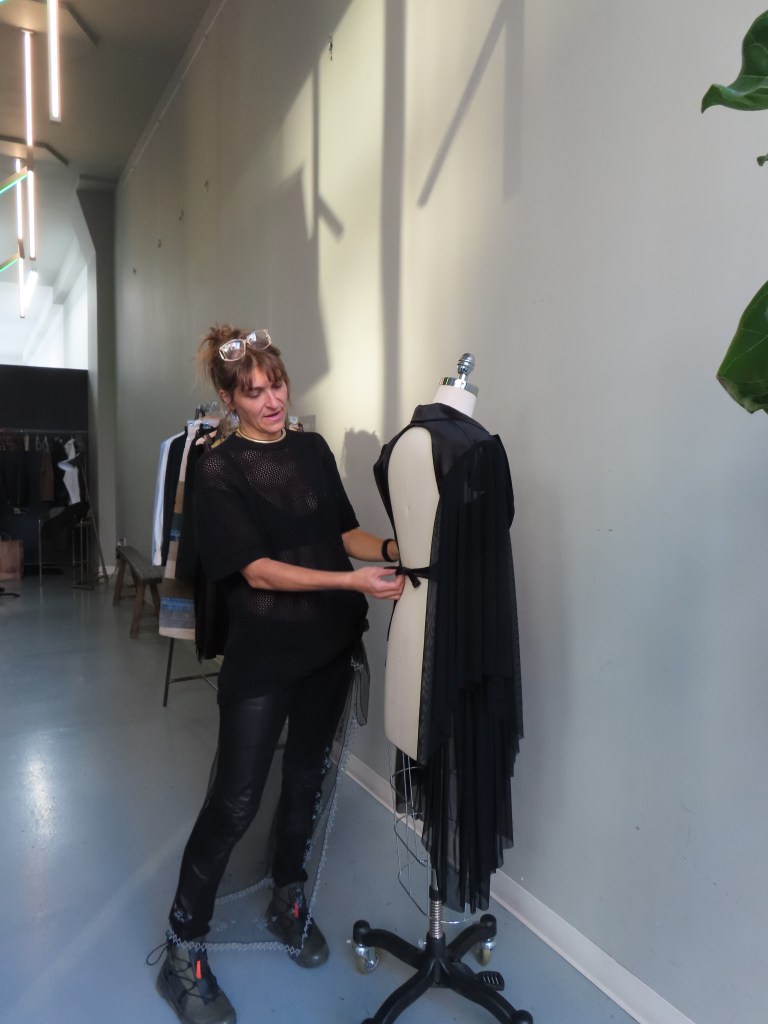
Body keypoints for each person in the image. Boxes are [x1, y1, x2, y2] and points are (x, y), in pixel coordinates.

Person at [155, 325, 404, 1024]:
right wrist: (351, 583)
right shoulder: (217, 469)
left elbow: (342, 532)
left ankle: (287, 894)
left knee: (306, 778)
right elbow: (258, 571)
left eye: (277, 384)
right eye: (253, 392)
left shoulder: (312, 449)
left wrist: (392, 548)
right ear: (228, 399)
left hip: (328, 647)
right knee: (235, 801)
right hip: (265, 656)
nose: (271, 401)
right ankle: (182, 946)